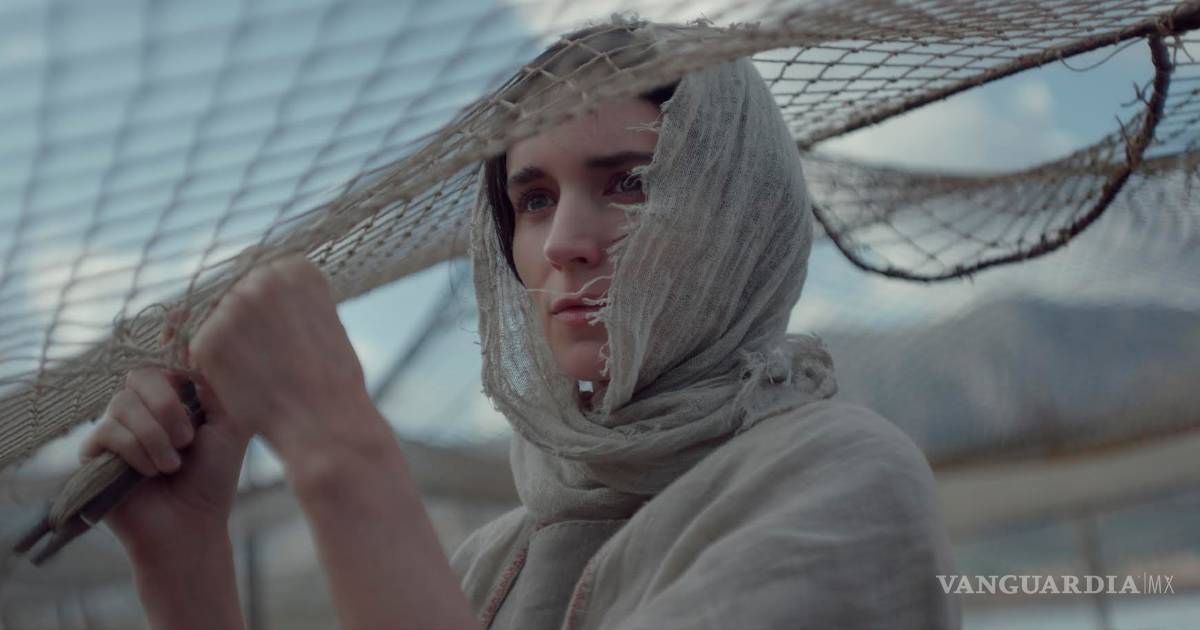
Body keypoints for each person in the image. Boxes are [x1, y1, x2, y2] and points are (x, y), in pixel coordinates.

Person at [79, 16, 960, 630]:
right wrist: (183, 562)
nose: (564, 242)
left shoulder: (844, 480)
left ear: (739, 212)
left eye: (632, 182)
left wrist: (338, 447)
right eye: (532, 200)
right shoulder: (492, 562)